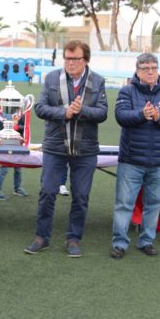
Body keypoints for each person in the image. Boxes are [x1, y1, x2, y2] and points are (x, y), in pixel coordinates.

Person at [24, 40, 108, 258]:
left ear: (85, 59)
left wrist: (82, 111)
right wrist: (64, 112)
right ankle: (41, 237)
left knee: (81, 196)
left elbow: (102, 113)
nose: (70, 63)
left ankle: (73, 238)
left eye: (76, 59)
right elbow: (40, 108)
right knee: (47, 192)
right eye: (68, 58)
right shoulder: (52, 78)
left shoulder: (97, 81)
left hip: (86, 148)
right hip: (55, 146)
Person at [110, 53, 160, 259]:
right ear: (137, 71)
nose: (150, 72)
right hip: (131, 160)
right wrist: (141, 114)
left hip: (159, 162)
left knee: (154, 204)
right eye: (145, 68)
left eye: (153, 67)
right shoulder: (127, 92)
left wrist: (159, 117)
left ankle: (146, 241)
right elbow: (121, 116)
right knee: (124, 204)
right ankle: (119, 243)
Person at [0, 116, 28, 200]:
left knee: (18, 166)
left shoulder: (22, 114)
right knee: (5, 167)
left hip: (17, 143)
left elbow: (25, 127)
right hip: (4, 144)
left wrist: (18, 127)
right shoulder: (3, 114)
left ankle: (17, 188)